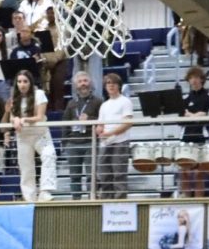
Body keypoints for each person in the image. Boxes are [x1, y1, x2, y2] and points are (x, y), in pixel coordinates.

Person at [8, 68, 56, 202]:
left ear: (30, 82)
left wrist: (24, 119)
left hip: (40, 134)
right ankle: (29, 198)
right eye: (19, 82)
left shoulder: (39, 94)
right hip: (23, 136)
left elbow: (40, 117)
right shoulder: (14, 98)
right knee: (26, 167)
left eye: (25, 81)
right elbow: (12, 117)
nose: (22, 84)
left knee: (49, 155)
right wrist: (15, 119)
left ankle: (45, 191)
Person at [60, 71, 101, 200]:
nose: (83, 84)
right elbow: (65, 122)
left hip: (90, 141)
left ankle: (92, 199)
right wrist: (65, 142)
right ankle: (76, 201)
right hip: (73, 143)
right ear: (76, 85)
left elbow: (103, 120)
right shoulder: (71, 103)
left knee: (91, 175)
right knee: (74, 176)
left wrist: (90, 119)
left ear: (90, 83)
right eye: (80, 81)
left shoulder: (98, 101)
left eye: (85, 80)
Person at [95, 74, 133, 198]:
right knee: (104, 173)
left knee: (119, 174)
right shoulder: (104, 105)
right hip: (106, 142)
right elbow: (100, 124)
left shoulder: (125, 101)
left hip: (120, 142)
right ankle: (107, 201)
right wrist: (99, 130)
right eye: (108, 83)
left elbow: (128, 123)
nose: (111, 85)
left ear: (119, 86)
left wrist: (110, 133)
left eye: (114, 83)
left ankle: (120, 203)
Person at [179, 66, 209, 197]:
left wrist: (190, 115)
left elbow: (204, 116)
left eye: (197, 78)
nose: (194, 81)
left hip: (201, 137)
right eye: (191, 78)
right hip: (185, 137)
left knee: (198, 172)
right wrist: (194, 116)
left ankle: (199, 200)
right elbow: (180, 119)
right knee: (184, 171)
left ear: (202, 80)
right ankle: (186, 198)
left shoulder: (208, 97)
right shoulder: (185, 99)